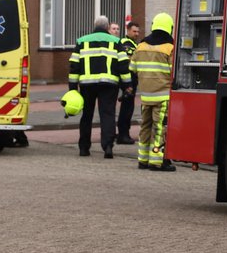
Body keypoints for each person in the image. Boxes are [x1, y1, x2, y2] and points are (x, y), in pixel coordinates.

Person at [68, 15, 130, 158]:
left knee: (86, 115)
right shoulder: (116, 41)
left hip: (86, 85)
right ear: (107, 27)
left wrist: (72, 88)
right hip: (109, 84)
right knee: (107, 114)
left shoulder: (82, 41)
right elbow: (123, 65)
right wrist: (127, 85)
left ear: (94, 25)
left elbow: (74, 65)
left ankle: (84, 148)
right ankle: (108, 146)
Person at [129, 13, 176, 172]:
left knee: (145, 127)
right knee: (160, 129)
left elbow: (133, 69)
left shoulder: (141, 46)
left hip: (146, 96)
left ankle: (143, 160)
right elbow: (174, 72)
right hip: (163, 96)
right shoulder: (170, 47)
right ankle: (157, 161)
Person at [114, 19, 142, 145]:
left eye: (137, 31)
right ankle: (123, 135)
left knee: (127, 108)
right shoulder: (127, 44)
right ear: (128, 31)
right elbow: (128, 63)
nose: (136, 34)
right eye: (134, 31)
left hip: (128, 80)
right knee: (127, 109)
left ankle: (123, 133)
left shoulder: (132, 43)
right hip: (128, 80)